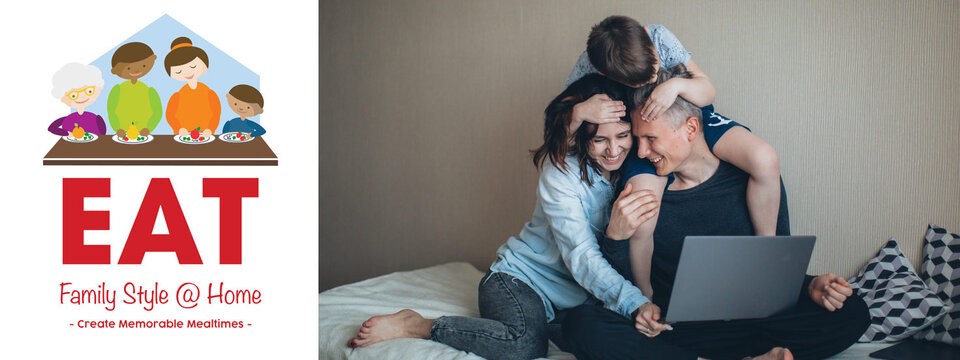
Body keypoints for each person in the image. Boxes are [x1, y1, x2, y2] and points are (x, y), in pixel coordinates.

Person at [560, 66, 871, 360]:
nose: (639, 152)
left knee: (853, 310)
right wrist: (615, 237)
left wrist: (809, 286)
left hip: (754, 321)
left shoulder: (753, 181)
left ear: (691, 128)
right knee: (582, 325)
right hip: (680, 329)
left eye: (651, 139)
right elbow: (622, 289)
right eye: (637, 139)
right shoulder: (640, 191)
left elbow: (770, 269)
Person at [347, 75, 658, 360]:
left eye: (622, 135)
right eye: (599, 140)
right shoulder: (561, 173)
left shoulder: (634, 170)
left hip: (573, 302)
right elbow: (582, 255)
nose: (613, 149)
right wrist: (634, 301)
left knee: (603, 340)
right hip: (519, 281)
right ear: (583, 138)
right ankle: (418, 324)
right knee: (524, 344)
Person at [566, 16, 781, 298]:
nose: (651, 81)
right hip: (643, 131)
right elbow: (562, 127)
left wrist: (676, 86)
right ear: (603, 73)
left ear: (647, 37)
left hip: (687, 116)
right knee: (643, 218)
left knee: (765, 159)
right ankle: (644, 296)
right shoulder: (588, 67)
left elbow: (707, 89)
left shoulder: (660, 36)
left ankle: (767, 251)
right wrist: (580, 111)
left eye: (652, 70)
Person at [164, 37, 220, 138]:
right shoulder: (177, 96)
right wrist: (178, 129)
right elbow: (170, 115)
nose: (188, 72)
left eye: (193, 66)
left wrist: (210, 129)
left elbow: (216, 114)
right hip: (182, 136)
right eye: (178, 71)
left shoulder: (210, 93)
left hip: (206, 136)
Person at [108, 42, 163, 138]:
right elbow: (111, 111)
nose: (137, 71)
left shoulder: (150, 91)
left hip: (144, 134)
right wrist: (117, 128)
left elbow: (157, 111)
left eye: (143, 66)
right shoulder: (117, 90)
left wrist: (149, 128)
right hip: (123, 135)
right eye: (128, 68)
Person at [48, 63, 107, 136]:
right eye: (73, 95)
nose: (82, 97)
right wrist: (66, 133)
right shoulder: (68, 119)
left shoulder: (96, 119)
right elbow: (51, 128)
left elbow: (103, 134)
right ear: (63, 98)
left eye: (89, 91)